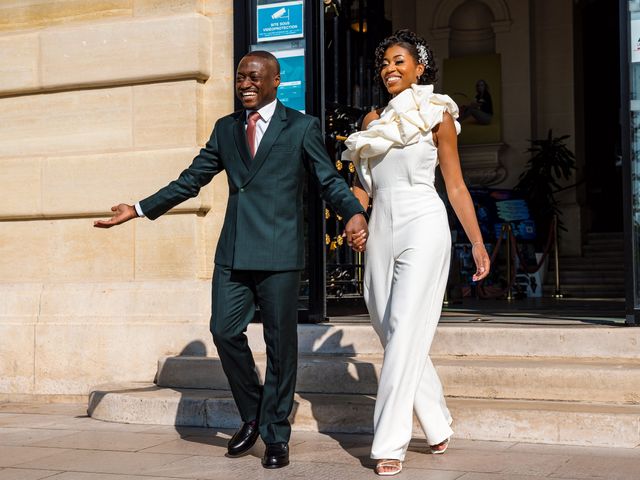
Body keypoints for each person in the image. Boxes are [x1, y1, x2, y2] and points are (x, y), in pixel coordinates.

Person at [94, 50, 368, 469]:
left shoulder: (301, 127)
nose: (245, 84)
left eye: (255, 77)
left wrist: (352, 211)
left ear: (276, 81)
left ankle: (276, 436)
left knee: (281, 348)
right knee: (223, 330)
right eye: (240, 77)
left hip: (280, 253)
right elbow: (191, 180)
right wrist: (139, 207)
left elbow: (327, 178)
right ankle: (255, 412)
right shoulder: (225, 129)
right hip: (234, 252)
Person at [342, 30, 491, 476]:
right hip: (381, 227)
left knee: (405, 327)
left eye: (399, 60)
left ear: (420, 67)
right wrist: (356, 217)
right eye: (384, 62)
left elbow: (456, 184)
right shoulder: (372, 120)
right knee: (387, 325)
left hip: (424, 222)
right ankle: (438, 421)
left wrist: (478, 242)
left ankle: (389, 442)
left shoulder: (438, 113)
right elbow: (362, 185)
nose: (390, 68)